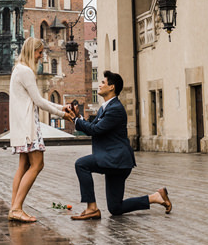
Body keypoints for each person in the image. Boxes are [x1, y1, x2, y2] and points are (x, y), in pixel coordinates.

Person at [66, 70, 172, 220]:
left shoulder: (115, 109)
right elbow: (92, 125)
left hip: (116, 160)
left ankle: (91, 208)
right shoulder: (106, 107)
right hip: (113, 160)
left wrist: (77, 121)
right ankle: (156, 197)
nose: (100, 85)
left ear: (112, 87)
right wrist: (78, 117)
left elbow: (95, 130)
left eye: (103, 82)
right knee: (116, 208)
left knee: (82, 165)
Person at [8, 36, 68, 223]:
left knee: (23, 166)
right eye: (39, 52)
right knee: (37, 164)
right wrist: (62, 114)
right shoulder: (25, 71)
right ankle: (17, 208)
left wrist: (60, 108)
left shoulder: (17, 70)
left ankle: (14, 208)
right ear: (31, 51)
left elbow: (37, 98)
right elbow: (39, 101)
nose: (41, 57)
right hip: (28, 126)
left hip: (21, 125)